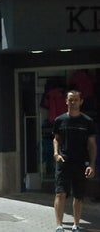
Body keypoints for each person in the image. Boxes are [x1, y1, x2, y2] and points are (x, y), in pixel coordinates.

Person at [52, 90, 96, 232]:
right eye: (70, 99)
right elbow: (56, 139)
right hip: (64, 161)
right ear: (66, 101)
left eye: (76, 99)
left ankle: (76, 225)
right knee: (60, 193)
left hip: (80, 162)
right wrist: (56, 153)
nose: (73, 102)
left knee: (78, 195)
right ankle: (59, 225)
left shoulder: (87, 122)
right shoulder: (59, 120)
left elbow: (92, 145)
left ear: (81, 101)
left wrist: (92, 164)